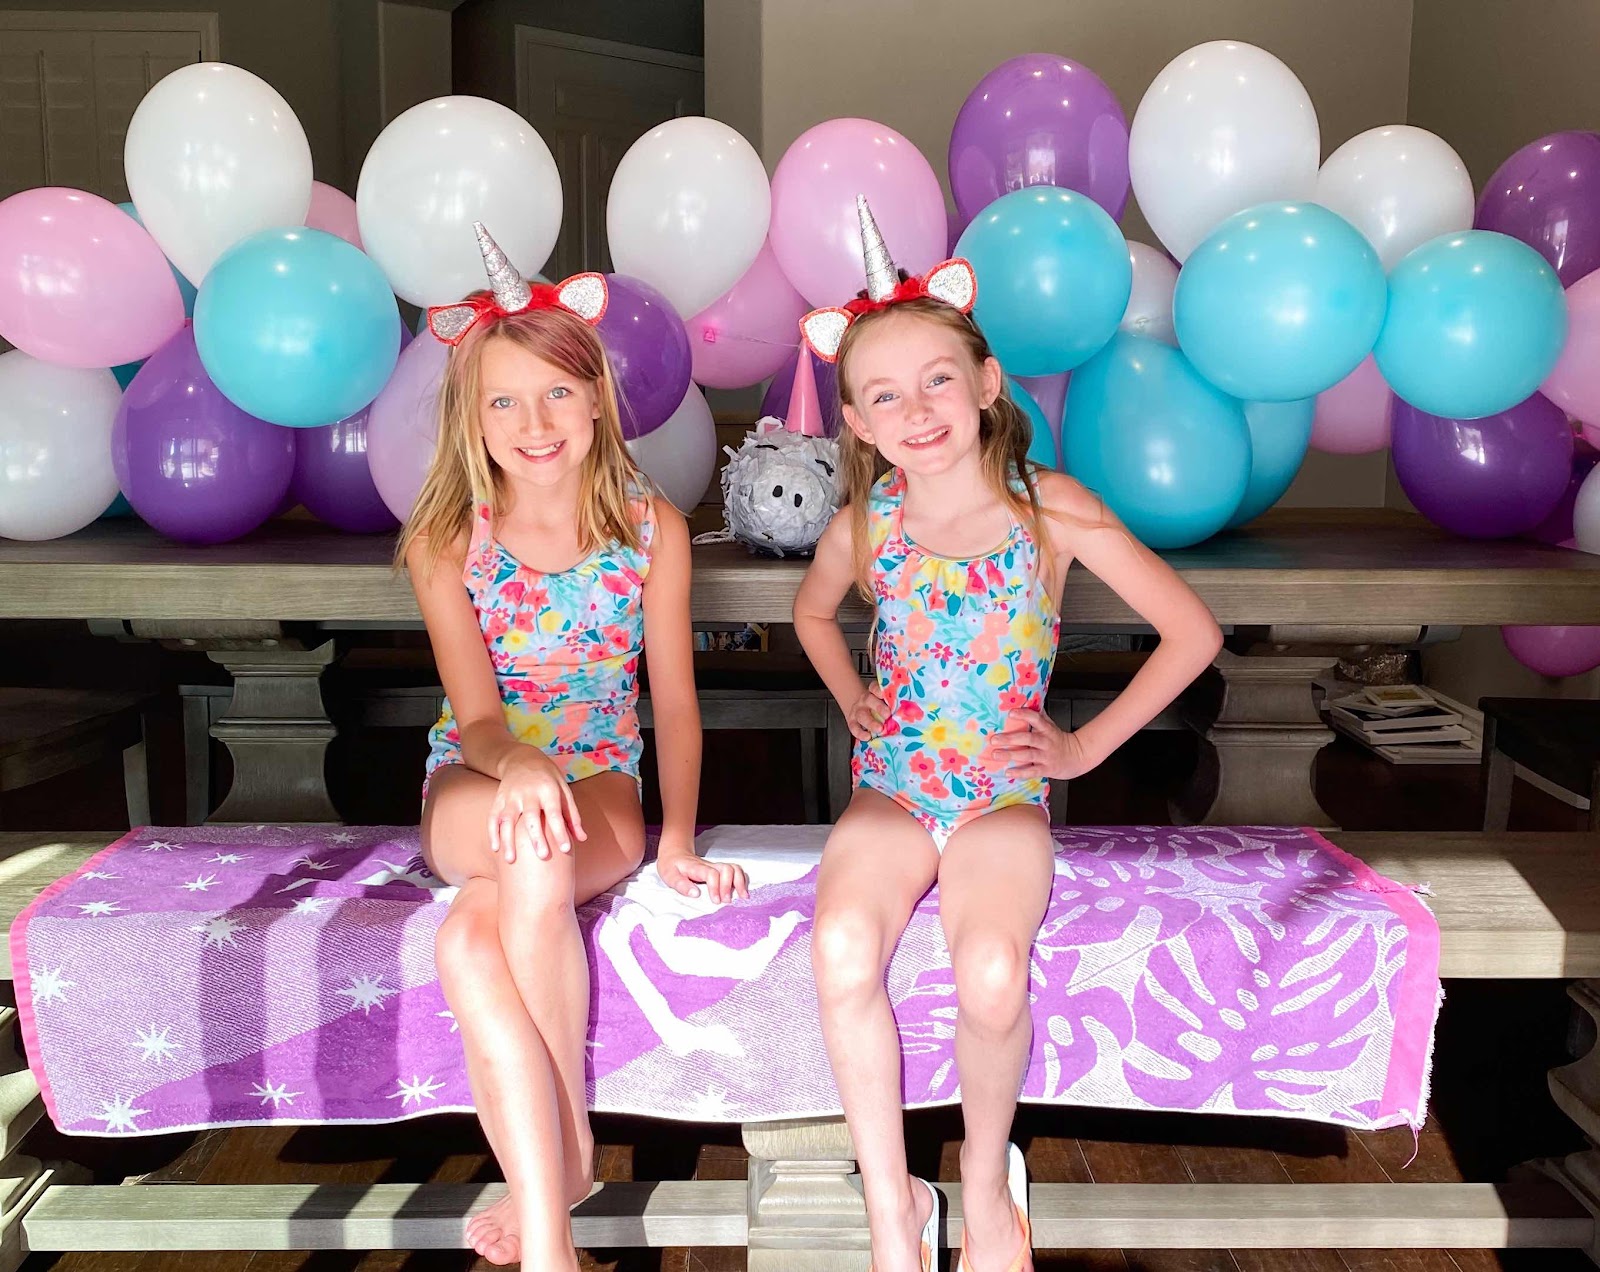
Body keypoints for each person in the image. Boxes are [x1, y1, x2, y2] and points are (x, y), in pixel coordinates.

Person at [793, 198, 1223, 1272]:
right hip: (893, 790)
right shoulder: (868, 524)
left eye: (938, 379)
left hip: (1000, 797)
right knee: (841, 947)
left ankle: (985, 1186)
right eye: (884, 395)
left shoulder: (1051, 510)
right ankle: (892, 1207)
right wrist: (850, 692)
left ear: (988, 384)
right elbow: (810, 614)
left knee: (990, 970)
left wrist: (1082, 749)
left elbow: (1192, 633)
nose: (917, 409)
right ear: (858, 425)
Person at [399, 224, 747, 1269]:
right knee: (528, 850)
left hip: (599, 785)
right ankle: (575, 1153)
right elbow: (478, 719)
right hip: (476, 780)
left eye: (556, 394)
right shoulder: (447, 540)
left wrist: (675, 839)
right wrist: (518, 765)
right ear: (473, 418)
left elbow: (673, 705)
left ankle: (545, 1223)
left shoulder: (651, 531)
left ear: (597, 399)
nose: (534, 423)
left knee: (472, 943)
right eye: (503, 402)